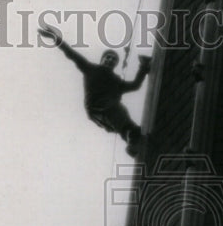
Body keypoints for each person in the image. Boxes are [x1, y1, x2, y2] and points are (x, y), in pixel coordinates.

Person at [39, 25, 151, 157]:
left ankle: (134, 140)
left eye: (114, 60)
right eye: (108, 57)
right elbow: (72, 54)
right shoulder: (91, 69)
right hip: (96, 108)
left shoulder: (116, 81)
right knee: (116, 109)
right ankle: (132, 137)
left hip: (109, 113)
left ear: (115, 65)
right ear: (102, 60)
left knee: (123, 115)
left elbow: (135, 86)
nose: (110, 60)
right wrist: (55, 38)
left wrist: (143, 67)